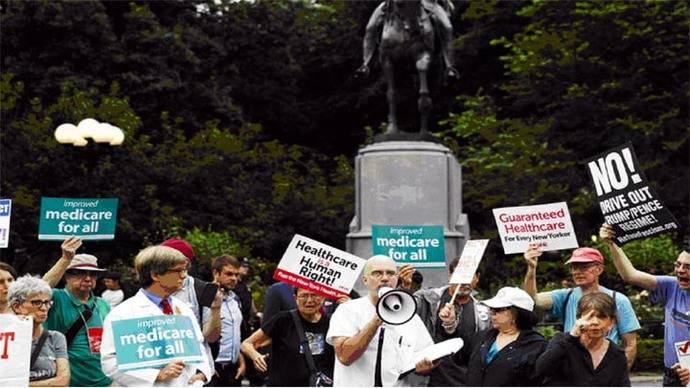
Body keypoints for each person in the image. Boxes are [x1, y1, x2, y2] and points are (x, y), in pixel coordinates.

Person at [100, 245, 212, 386]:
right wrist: (157, 375)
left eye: (184, 270)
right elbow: (110, 363)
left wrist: (201, 374)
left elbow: (198, 347)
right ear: (155, 275)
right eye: (178, 270)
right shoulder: (123, 314)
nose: (183, 276)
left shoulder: (184, 309)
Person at [522, 243, 640, 369]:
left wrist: (618, 376)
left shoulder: (619, 300)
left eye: (583, 267)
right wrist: (531, 269)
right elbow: (530, 300)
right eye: (574, 267)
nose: (577, 272)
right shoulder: (565, 296)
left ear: (599, 269)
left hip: (604, 366)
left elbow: (631, 344)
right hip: (571, 368)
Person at [600, 224, 690, 386]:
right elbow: (630, 275)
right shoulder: (672, 286)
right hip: (672, 373)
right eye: (678, 265)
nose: (680, 271)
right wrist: (612, 243)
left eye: (688, 267)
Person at [326, 254, 436, 386]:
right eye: (377, 273)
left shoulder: (410, 316)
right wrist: (375, 321)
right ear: (365, 280)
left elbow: (426, 355)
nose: (385, 278)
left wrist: (425, 368)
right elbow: (345, 356)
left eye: (390, 273)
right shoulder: (347, 311)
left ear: (397, 279)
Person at [401, 257, 490, 386]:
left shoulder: (484, 313)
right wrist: (405, 287)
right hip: (428, 381)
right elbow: (402, 312)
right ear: (450, 275)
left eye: (469, 276)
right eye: (460, 274)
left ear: (477, 278)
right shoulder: (427, 299)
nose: (464, 281)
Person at [42, 236, 112, 387]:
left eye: (93, 274)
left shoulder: (103, 304)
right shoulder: (57, 298)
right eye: (80, 273)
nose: (88, 278)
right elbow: (38, 290)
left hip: (104, 382)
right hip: (68, 383)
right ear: (66, 275)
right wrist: (65, 259)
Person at [241, 287, 335, 386]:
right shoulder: (283, 320)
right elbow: (246, 344)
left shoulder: (332, 323)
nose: (309, 300)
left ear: (323, 298)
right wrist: (256, 356)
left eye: (314, 295)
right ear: (295, 298)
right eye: (304, 296)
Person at [536, 292, 630, 386]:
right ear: (579, 319)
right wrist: (571, 337)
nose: (595, 322)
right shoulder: (562, 341)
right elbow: (541, 370)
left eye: (602, 317)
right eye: (589, 316)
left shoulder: (617, 355)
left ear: (611, 322)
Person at [160, 238, 222, 377]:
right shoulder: (148, 291)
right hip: (161, 373)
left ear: (186, 264)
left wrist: (216, 309)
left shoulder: (203, 289)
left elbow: (212, 337)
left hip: (196, 373)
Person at [462, 286, 546, 386]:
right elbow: (459, 355)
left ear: (516, 313)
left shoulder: (536, 347)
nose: (492, 313)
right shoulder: (483, 337)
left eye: (498, 309)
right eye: (491, 308)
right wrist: (449, 325)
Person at [357, 0, 458, 79]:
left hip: (425, 3)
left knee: (447, 27)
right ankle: (366, 64)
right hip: (395, 4)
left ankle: (449, 66)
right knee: (370, 28)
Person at [8, 275, 70, 386]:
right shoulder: (5, 338)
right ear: (17, 306)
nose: (44, 308)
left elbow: (62, 381)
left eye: (47, 302)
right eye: (37, 302)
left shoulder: (56, 337)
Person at [209, 255, 245, 386]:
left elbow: (235, 334)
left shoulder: (235, 299)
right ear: (216, 273)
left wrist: (241, 362)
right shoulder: (204, 298)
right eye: (229, 274)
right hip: (213, 369)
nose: (234, 278)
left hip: (234, 370)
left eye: (236, 274)